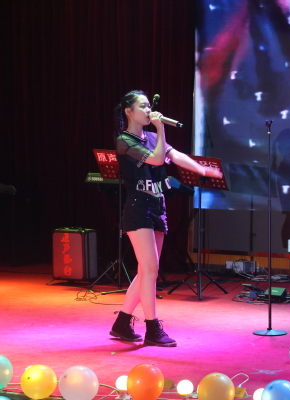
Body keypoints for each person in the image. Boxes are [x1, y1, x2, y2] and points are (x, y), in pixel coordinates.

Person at [109, 90, 222, 347]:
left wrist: (201, 169)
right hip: (137, 208)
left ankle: (122, 323)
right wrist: (161, 128)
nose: (148, 110)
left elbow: (174, 155)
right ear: (129, 111)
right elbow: (158, 159)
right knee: (150, 270)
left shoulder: (150, 137)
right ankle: (152, 328)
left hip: (157, 205)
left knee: (147, 270)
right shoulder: (124, 141)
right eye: (143, 106)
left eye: (149, 105)